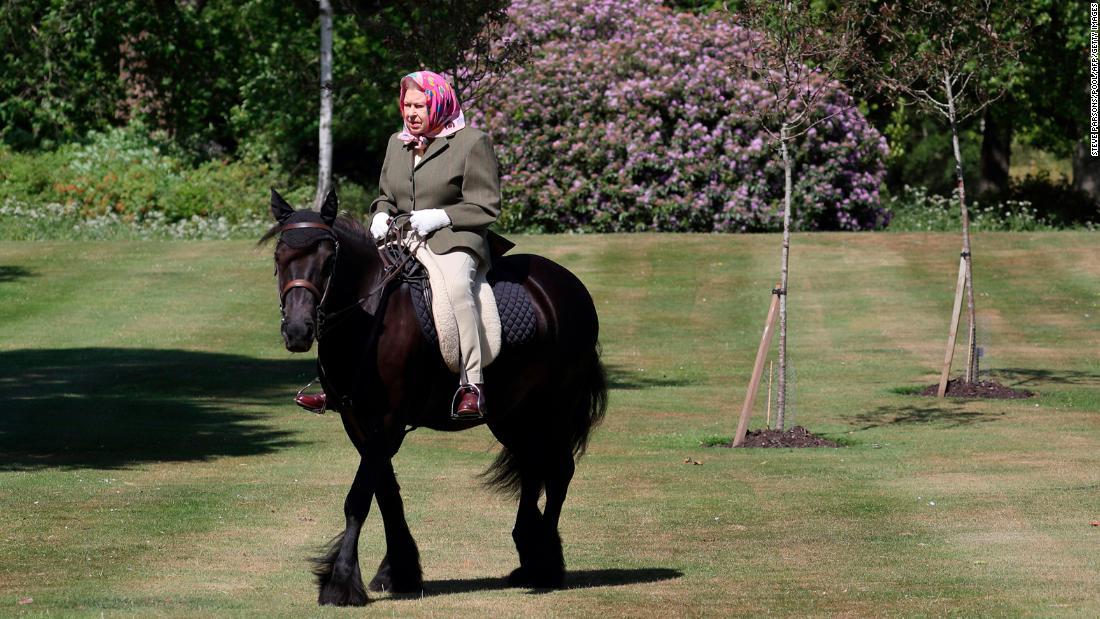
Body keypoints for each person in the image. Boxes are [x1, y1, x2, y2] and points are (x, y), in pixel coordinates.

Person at [296, 70, 501, 419]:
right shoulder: (397, 141)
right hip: (401, 238)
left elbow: (486, 205)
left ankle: (472, 384)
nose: (411, 113)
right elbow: (386, 197)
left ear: (438, 103)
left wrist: (442, 217)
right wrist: (380, 213)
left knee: (456, 290)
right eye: (406, 105)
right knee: (348, 285)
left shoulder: (472, 142)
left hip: (454, 238)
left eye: (419, 105)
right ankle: (333, 384)